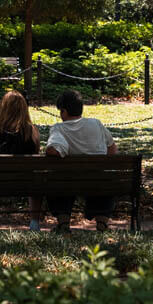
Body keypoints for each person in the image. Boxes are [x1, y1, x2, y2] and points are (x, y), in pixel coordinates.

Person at [45, 88, 117, 233]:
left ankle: (64, 222)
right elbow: (112, 148)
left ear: (63, 111)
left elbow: (55, 150)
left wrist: (48, 150)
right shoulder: (96, 124)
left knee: (57, 179)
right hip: (99, 181)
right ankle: (102, 223)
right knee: (101, 177)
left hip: (69, 182)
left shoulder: (59, 128)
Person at [0, 90, 42, 233]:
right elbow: (36, 155)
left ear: (2, 107)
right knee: (36, 180)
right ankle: (34, 222)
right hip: (26, 181)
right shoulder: (31, 131)